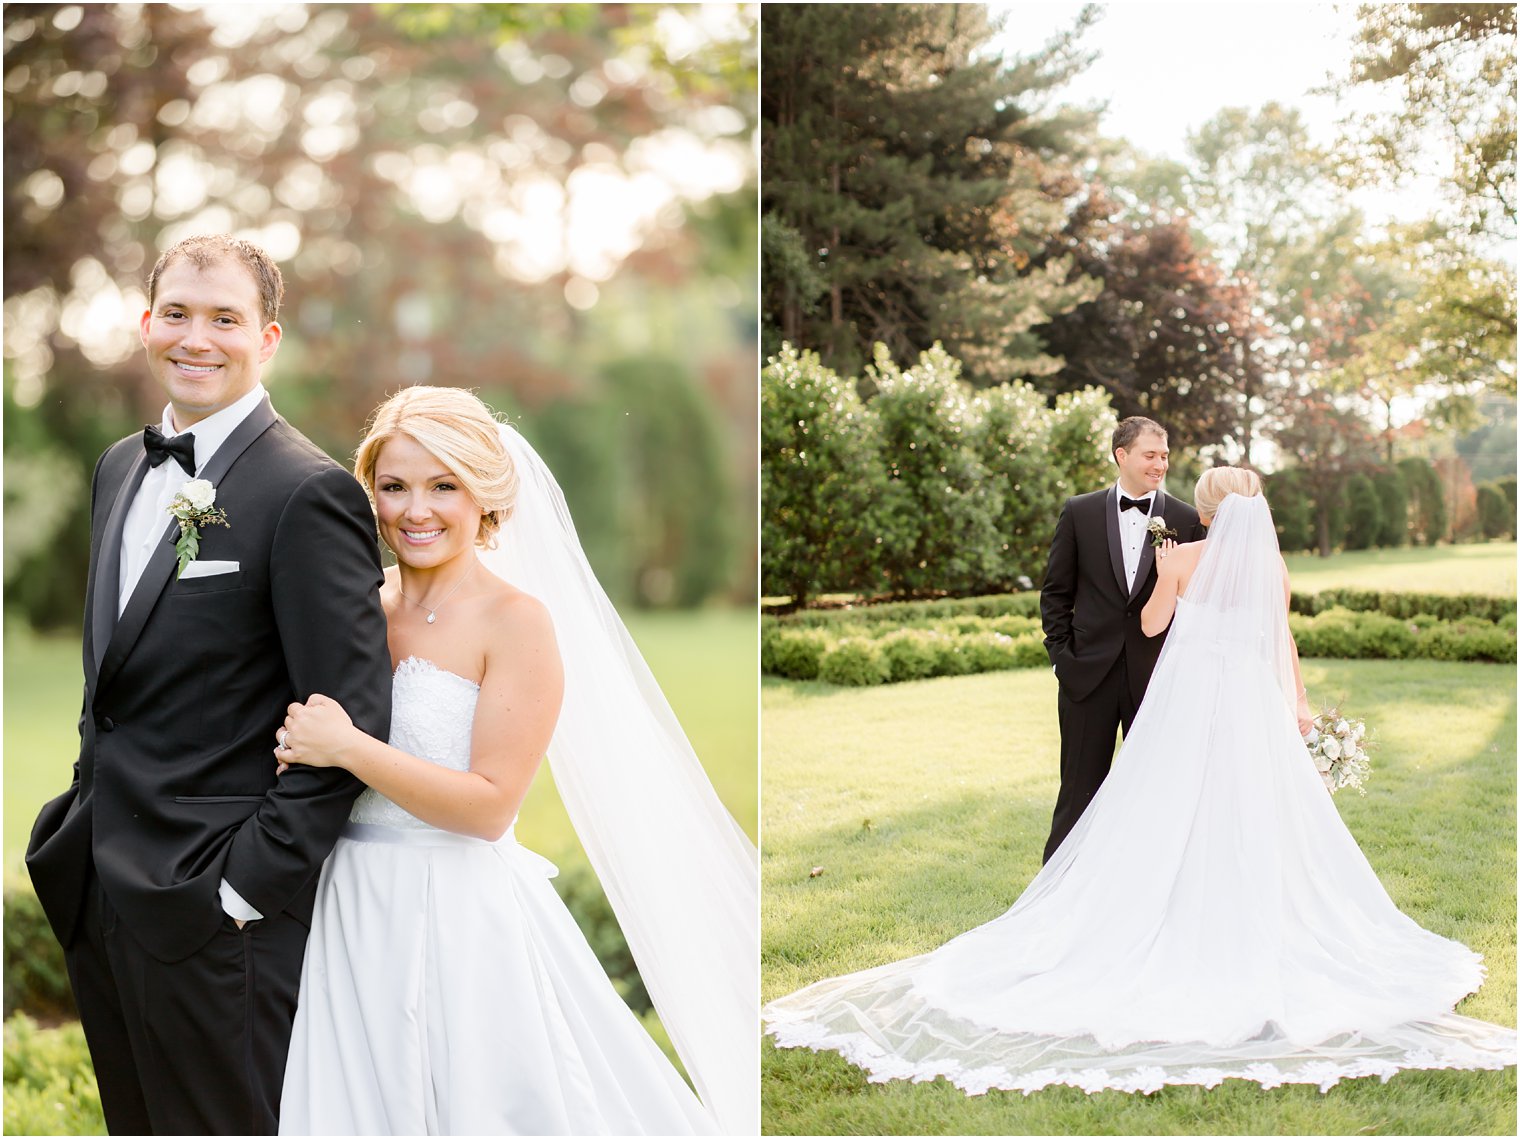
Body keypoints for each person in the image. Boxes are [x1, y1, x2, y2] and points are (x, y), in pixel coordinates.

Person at [763, 468, 1515, 1094]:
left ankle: (1172, 913)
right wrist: (1302, 707)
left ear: (1208, 508)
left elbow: (1152, 626)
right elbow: (1282, 639)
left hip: (1191, 709)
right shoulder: (1274, 568)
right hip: (1254, 706)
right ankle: (1252, 916)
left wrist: (1164, 576)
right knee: (1259, 814)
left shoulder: (1182, 558)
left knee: (1166, 810)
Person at [271, 386, 758, 1135]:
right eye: (394, 486)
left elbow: (491, 803)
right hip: (349, 899)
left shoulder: (518, 623)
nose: (415, 510)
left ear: (486, 495)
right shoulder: (359, 604)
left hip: (459, 909)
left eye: (443, 486)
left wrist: (348, 748)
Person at [24, 235, 392, 1134]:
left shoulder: (308, 493)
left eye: (225, 318)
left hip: (217, 915)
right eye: (178, 314)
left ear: (266, 338)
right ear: (147, 325)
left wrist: (236, 893)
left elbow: (349, 722)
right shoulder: (121, 464)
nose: (198, 338)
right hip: (103, 884)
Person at [1039, 416, 1206, 862]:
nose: (1160, 464)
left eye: (1165, 456)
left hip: (1156, 679)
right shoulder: (1080, 511)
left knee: (1156, 790)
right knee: (1077, 792)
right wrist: (1061, 657)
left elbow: (1199, 602)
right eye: (1150, 455)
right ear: (1122, 455)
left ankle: (1147, 887)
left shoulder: (1186, 520)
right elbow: (1056, 592)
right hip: (1086, 675)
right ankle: (1055, 893)